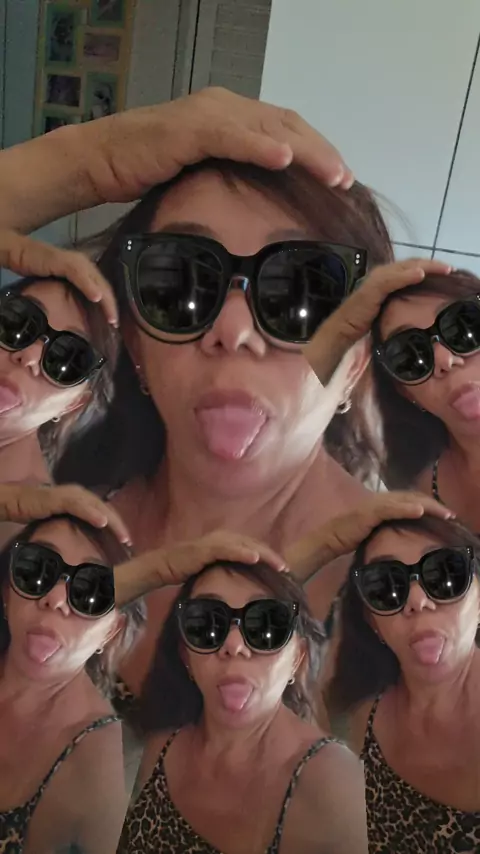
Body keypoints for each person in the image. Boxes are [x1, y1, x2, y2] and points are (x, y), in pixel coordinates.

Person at [118, 557, 368, 854]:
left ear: (297, 658)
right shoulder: (161, 747)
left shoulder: (332, 780)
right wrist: (160, 567)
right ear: (186, 657)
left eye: (264, 624)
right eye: (207, 623)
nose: (234, 645)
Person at [326, 515, 480, 853]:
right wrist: (327, 544)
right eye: (385, 584)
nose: (417, 600)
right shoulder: (361, 713)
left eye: (444, 574)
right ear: (371, 620)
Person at [0, 512, 144, 854]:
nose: (55, 599)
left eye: (90, 590)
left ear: (112, 630)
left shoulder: (108, 770)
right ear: (7, 590)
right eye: (36, 569)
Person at [367, 267, 480, 531]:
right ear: (406, 392)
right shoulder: (405, 484)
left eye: (463, 326)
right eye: (409, 354)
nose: (444, 359)